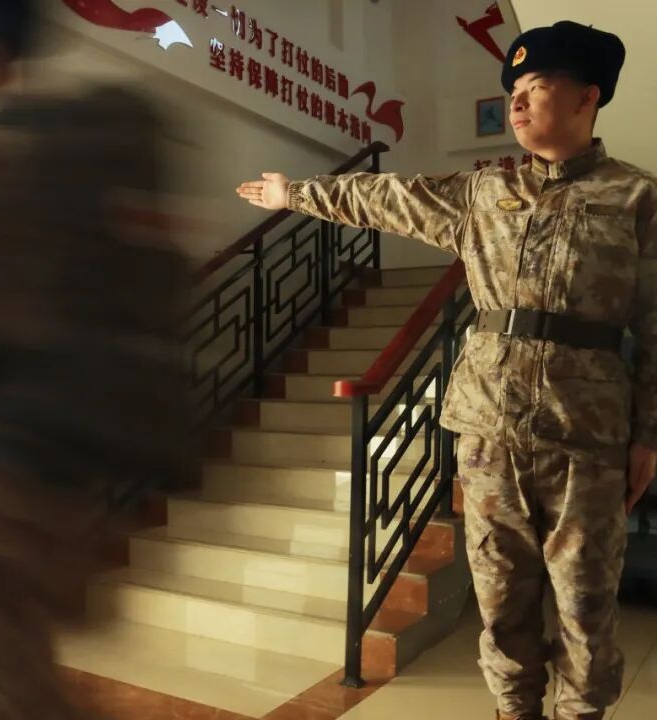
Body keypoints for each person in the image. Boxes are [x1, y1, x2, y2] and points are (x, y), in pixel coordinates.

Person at [237, 20, 655, 720]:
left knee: (585, 609)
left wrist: (648, 434)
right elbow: (384, 197)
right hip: (488, 431)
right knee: (501, 604)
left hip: (587, 437)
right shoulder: (483, 193)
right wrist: (295, 195)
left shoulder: (636, 198)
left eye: (536, 87)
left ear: (588, 97)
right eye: (513, 89)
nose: (516, 103)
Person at [0, 1, 193, 718]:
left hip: (17, 452)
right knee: (17, 648)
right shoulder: (109, 141)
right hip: (103, 459)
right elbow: (165, 281)